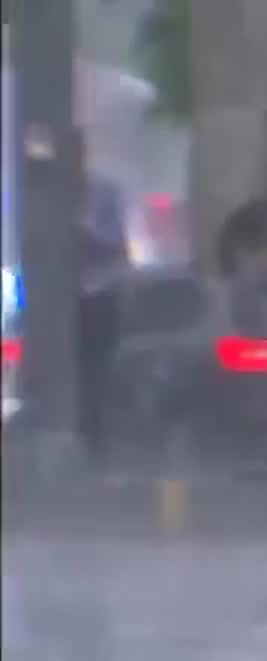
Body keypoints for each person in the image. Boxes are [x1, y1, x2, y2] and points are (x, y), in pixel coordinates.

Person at [75, 135, 128, 469]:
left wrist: (87, 237)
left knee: (99, 373)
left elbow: (117, 248)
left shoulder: (104, 190)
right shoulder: (48, 191)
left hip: (100, 296)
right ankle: (87, 437)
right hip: (68, 302)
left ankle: (97, 441)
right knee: (81, 374)